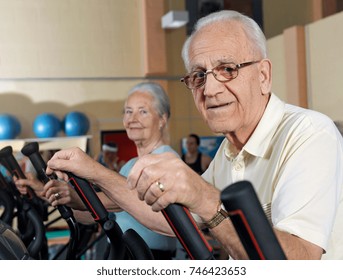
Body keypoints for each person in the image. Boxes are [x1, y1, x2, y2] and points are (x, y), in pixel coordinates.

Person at [45, 10, 343, 260]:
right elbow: (174, 218)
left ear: (263, 76)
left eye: (228, 69)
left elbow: (302, 261)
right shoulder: (228, 154)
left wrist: (203, 196)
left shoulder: (310, 135)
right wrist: (93, 175)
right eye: (199, 75)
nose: (210, 90)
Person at [43, 82, 178, 260]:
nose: (133, 119)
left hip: (148, 257)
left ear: (162, 118)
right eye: (128, 112)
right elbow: (97, 214)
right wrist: (56, 195)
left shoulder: (167, 159)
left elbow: (131, 200)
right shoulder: (130, 165)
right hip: (117, 251)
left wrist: (82, 192)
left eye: (142, 111)